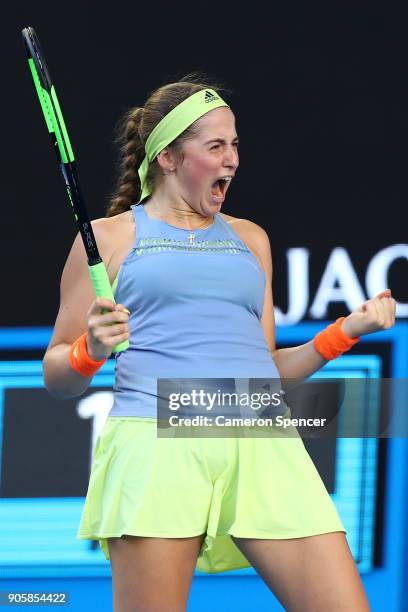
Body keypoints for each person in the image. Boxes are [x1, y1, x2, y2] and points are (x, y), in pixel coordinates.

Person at [43, 74, 396, 611]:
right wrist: (88, 350)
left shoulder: (251, 239)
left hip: (262, 442)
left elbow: (269, 373)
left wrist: (346, 332)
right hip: (155, 446)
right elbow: (57, 378)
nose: (232, 159)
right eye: (215, 146)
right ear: (167, 158)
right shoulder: (110, 239)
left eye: (235, 144)